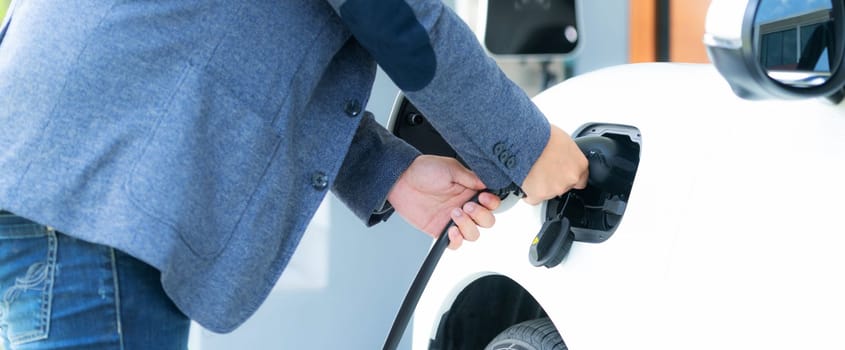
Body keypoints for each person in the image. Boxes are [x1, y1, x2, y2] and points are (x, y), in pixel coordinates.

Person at [0, 0, 588, 348]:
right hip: (99, 184)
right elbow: (395, 14)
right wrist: (532, 148)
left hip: (71, 164)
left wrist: (391, 173)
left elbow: (254, 48)